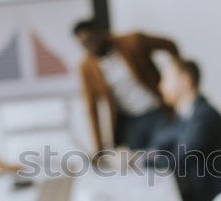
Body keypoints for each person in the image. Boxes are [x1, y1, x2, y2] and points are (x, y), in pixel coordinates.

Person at [147, 59, 221, 201]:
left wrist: (135, 161)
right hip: (191, 192)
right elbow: (159, 144)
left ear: (185, 81)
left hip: (202, 200)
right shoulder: (184, 116)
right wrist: (142, 156)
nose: (161, 86)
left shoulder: (204, 117)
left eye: (166, 79)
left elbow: (177, 160)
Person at [72, 19, 181, 152]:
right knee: (140, 164)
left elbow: (170, 45)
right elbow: (92, 108)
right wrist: (99, 148)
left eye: (91, 39)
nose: (90, 45)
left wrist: (175, 77)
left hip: (156, 112)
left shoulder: (132, 42)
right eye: (84, 43)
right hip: (130, 123)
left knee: (166, 154)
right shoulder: (87, 68)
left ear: (101, 33)